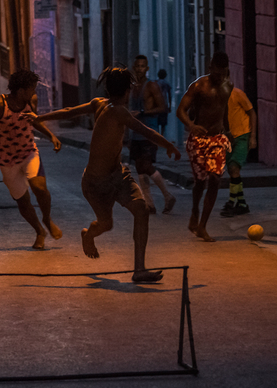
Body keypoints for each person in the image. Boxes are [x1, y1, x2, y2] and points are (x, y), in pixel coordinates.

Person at [23, 66, 181, 283]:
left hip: (118, 175)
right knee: (106, 224)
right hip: (95, 183)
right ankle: (88, 234)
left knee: (141, 210)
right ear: (126, 91)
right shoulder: (119, 111)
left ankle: (139, 270)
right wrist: (169, 146)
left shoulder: (99, 103)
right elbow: (146, 131)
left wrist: (40, 118)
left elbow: (69, 111)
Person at [0, 69, 63, 250]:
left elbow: (34, 120)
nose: (34, 93)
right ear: (21, 90)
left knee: (40, 187)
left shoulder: (31, 101)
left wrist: (51, 135)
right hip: (7, 160)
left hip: (29, 153)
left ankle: (47, 218)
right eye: (32, 89)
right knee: (23, 201)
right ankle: (39, 231)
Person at [176, 51, 233, 242]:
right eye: (216, 73)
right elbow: (180, 110)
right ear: (210, 69)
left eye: (223, 73)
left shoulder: (228, 86)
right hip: (198, 139)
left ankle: (202, 226)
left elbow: (223, 109)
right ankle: (194, 211)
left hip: (217, 138)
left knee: (216, 178)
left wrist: (228, 130)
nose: (220, 77)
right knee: (200, 182)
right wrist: (191, 126)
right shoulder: (199, 86)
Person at [129, 55, 176, 214]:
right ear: (134, 68)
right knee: (139, 168)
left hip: (149, 132)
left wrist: (143, 112)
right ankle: (149, 204)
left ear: (147, 69)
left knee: (147, 165)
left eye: (143, 66)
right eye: (138, 66)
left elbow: (162, 107)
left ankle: (168, 196)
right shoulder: (133, 87)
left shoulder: (152, 86)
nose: (140, 69)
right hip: (136, 132)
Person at [220, 87, 257, 217]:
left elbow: (252, 113)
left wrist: (252, 137)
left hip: (242, 134)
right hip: (227, 137)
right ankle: (241, 203)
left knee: (234, 166)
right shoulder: (217, 96)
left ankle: (231, 202)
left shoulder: (237, 94)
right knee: (232, 171)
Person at [157, 68, 172, 137]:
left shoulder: (156, 83)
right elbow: (169, 95)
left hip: (157, 105)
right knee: (163, 123)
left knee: (156, 121)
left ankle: (156, 135)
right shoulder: (167, 84)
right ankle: (162, 135)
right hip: (164, 105)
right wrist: (170, 106)